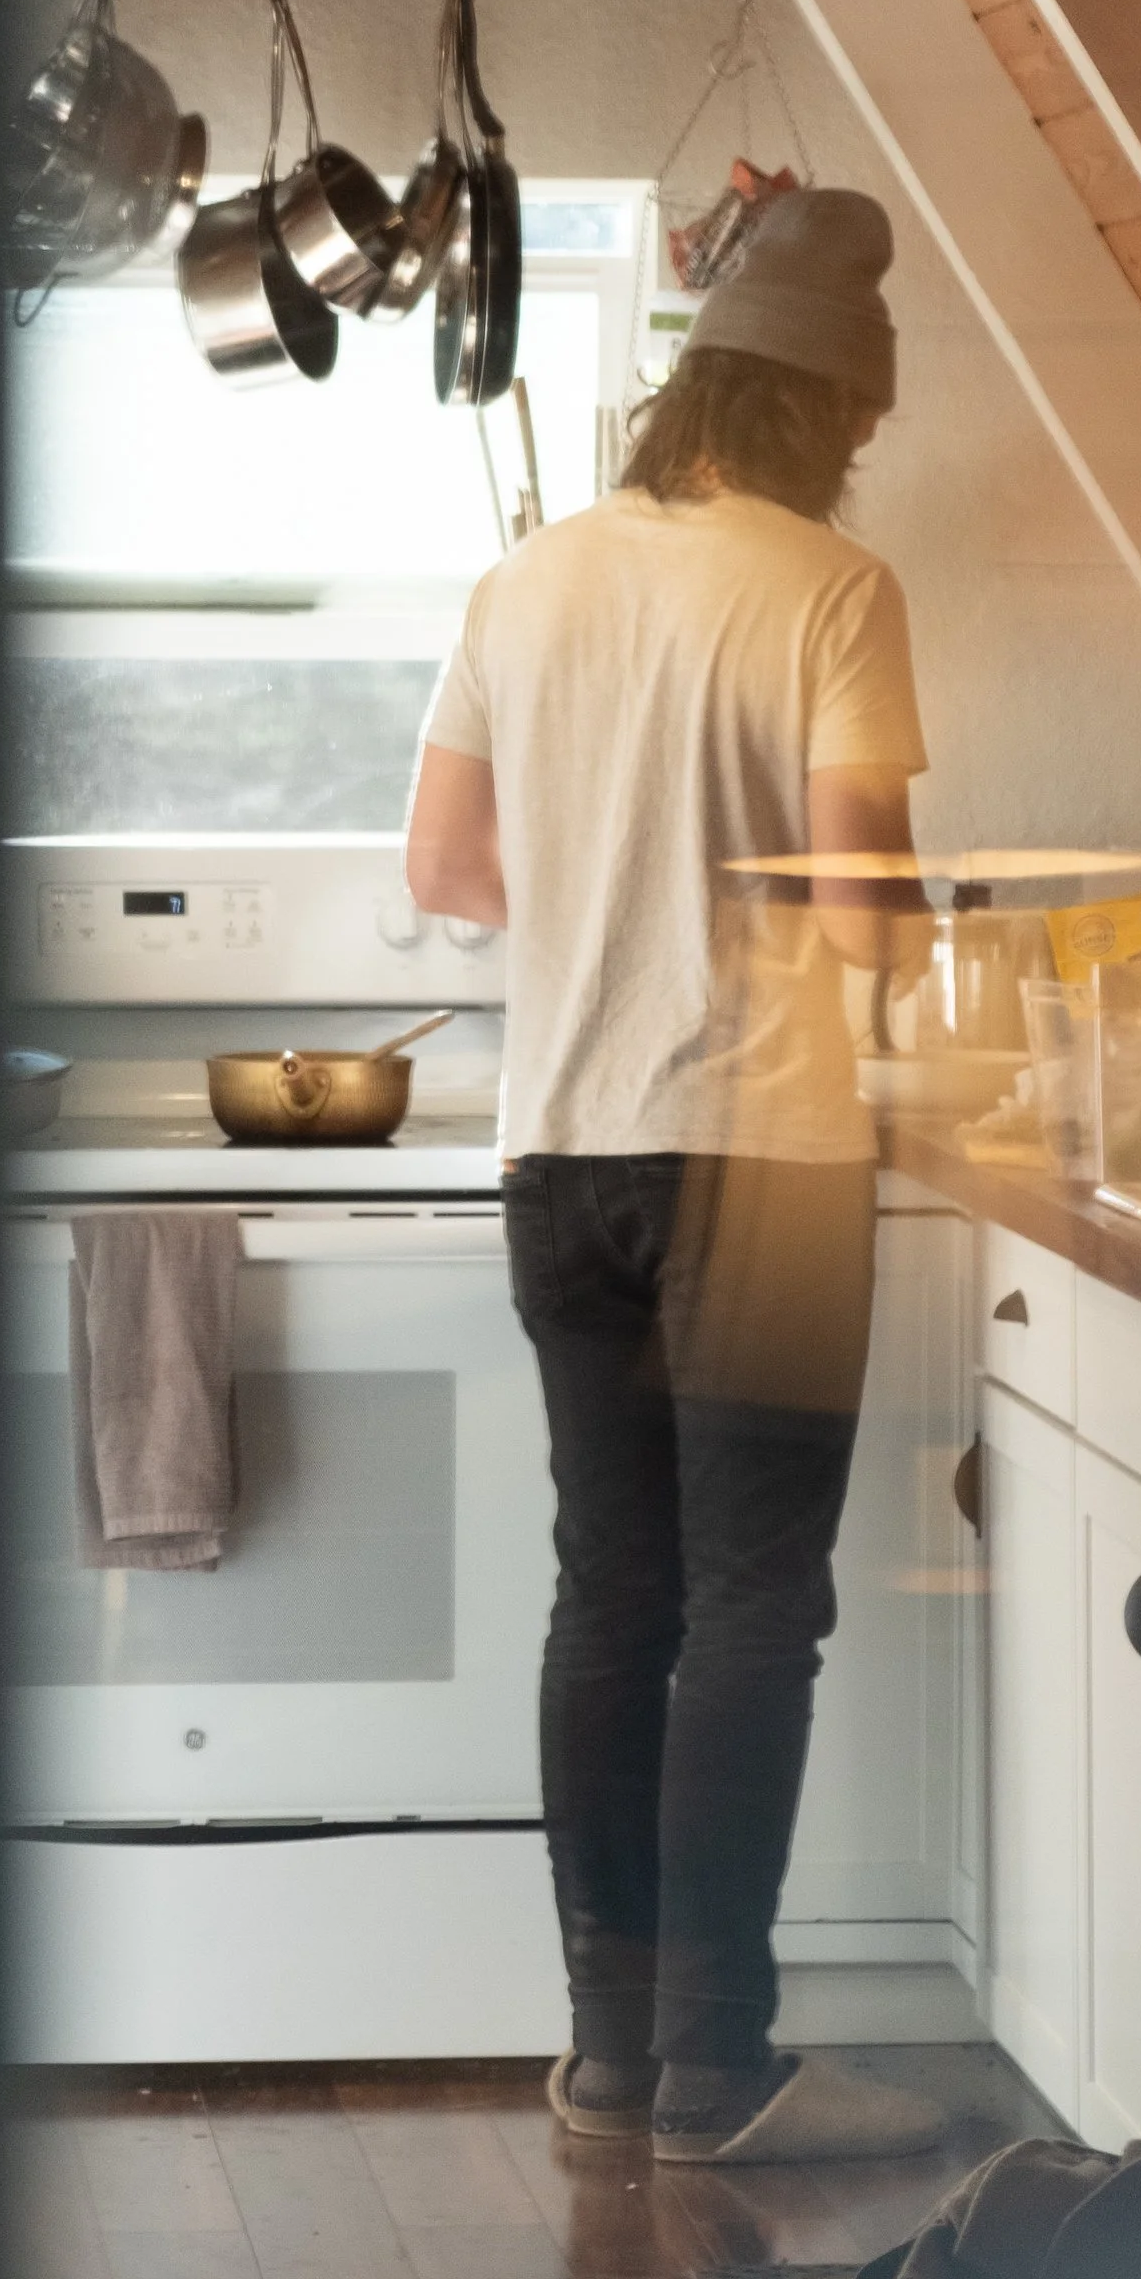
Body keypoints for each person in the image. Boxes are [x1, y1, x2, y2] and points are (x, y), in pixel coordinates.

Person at [406, 180, 946, 2165]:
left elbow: (451, 876)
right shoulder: (825, 587)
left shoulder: (526, 580)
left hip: (562, 1150)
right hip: (762, 1154)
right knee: (747, 1610)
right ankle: (718, 2061)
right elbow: (866, 907)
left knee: (607, 1599)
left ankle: (605, 2055)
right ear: (826, 415)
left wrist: (614, 886)